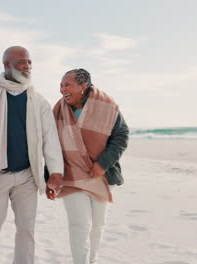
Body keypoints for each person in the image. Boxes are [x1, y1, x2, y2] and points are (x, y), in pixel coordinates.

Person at [0, 46, 64, 264]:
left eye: (29, 62)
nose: (27, 66)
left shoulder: (37, 99)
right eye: (21, 62)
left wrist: (55, 171)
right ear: (6, 65)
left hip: (27, 175)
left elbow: (50, 137)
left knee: (27, 229)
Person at [50, 68, 129, 264]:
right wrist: (51, 176)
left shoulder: (107, 106)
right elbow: (49, 145)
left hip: (100, 176)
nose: (62, 90)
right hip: (71, 177)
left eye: (67, 85)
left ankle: (93, 260)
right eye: (61, 85)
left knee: (97, 225)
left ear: (83, 86)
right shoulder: (58, 111)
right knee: (79, 225)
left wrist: (103, 164)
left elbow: (121, 136)